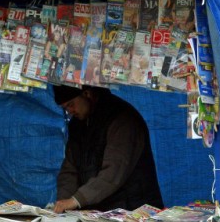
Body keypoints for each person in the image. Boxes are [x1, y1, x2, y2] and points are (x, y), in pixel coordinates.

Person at [52, 84, 164, 213]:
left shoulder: (121, 118)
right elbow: (70, 169)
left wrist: (76, 200)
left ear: (87, 94)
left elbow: (114, 171)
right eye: (65, 108)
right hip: (101, 211)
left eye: (71, 104)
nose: (69, 111)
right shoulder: (77, 124)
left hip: (133, 209)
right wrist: (62, 203)